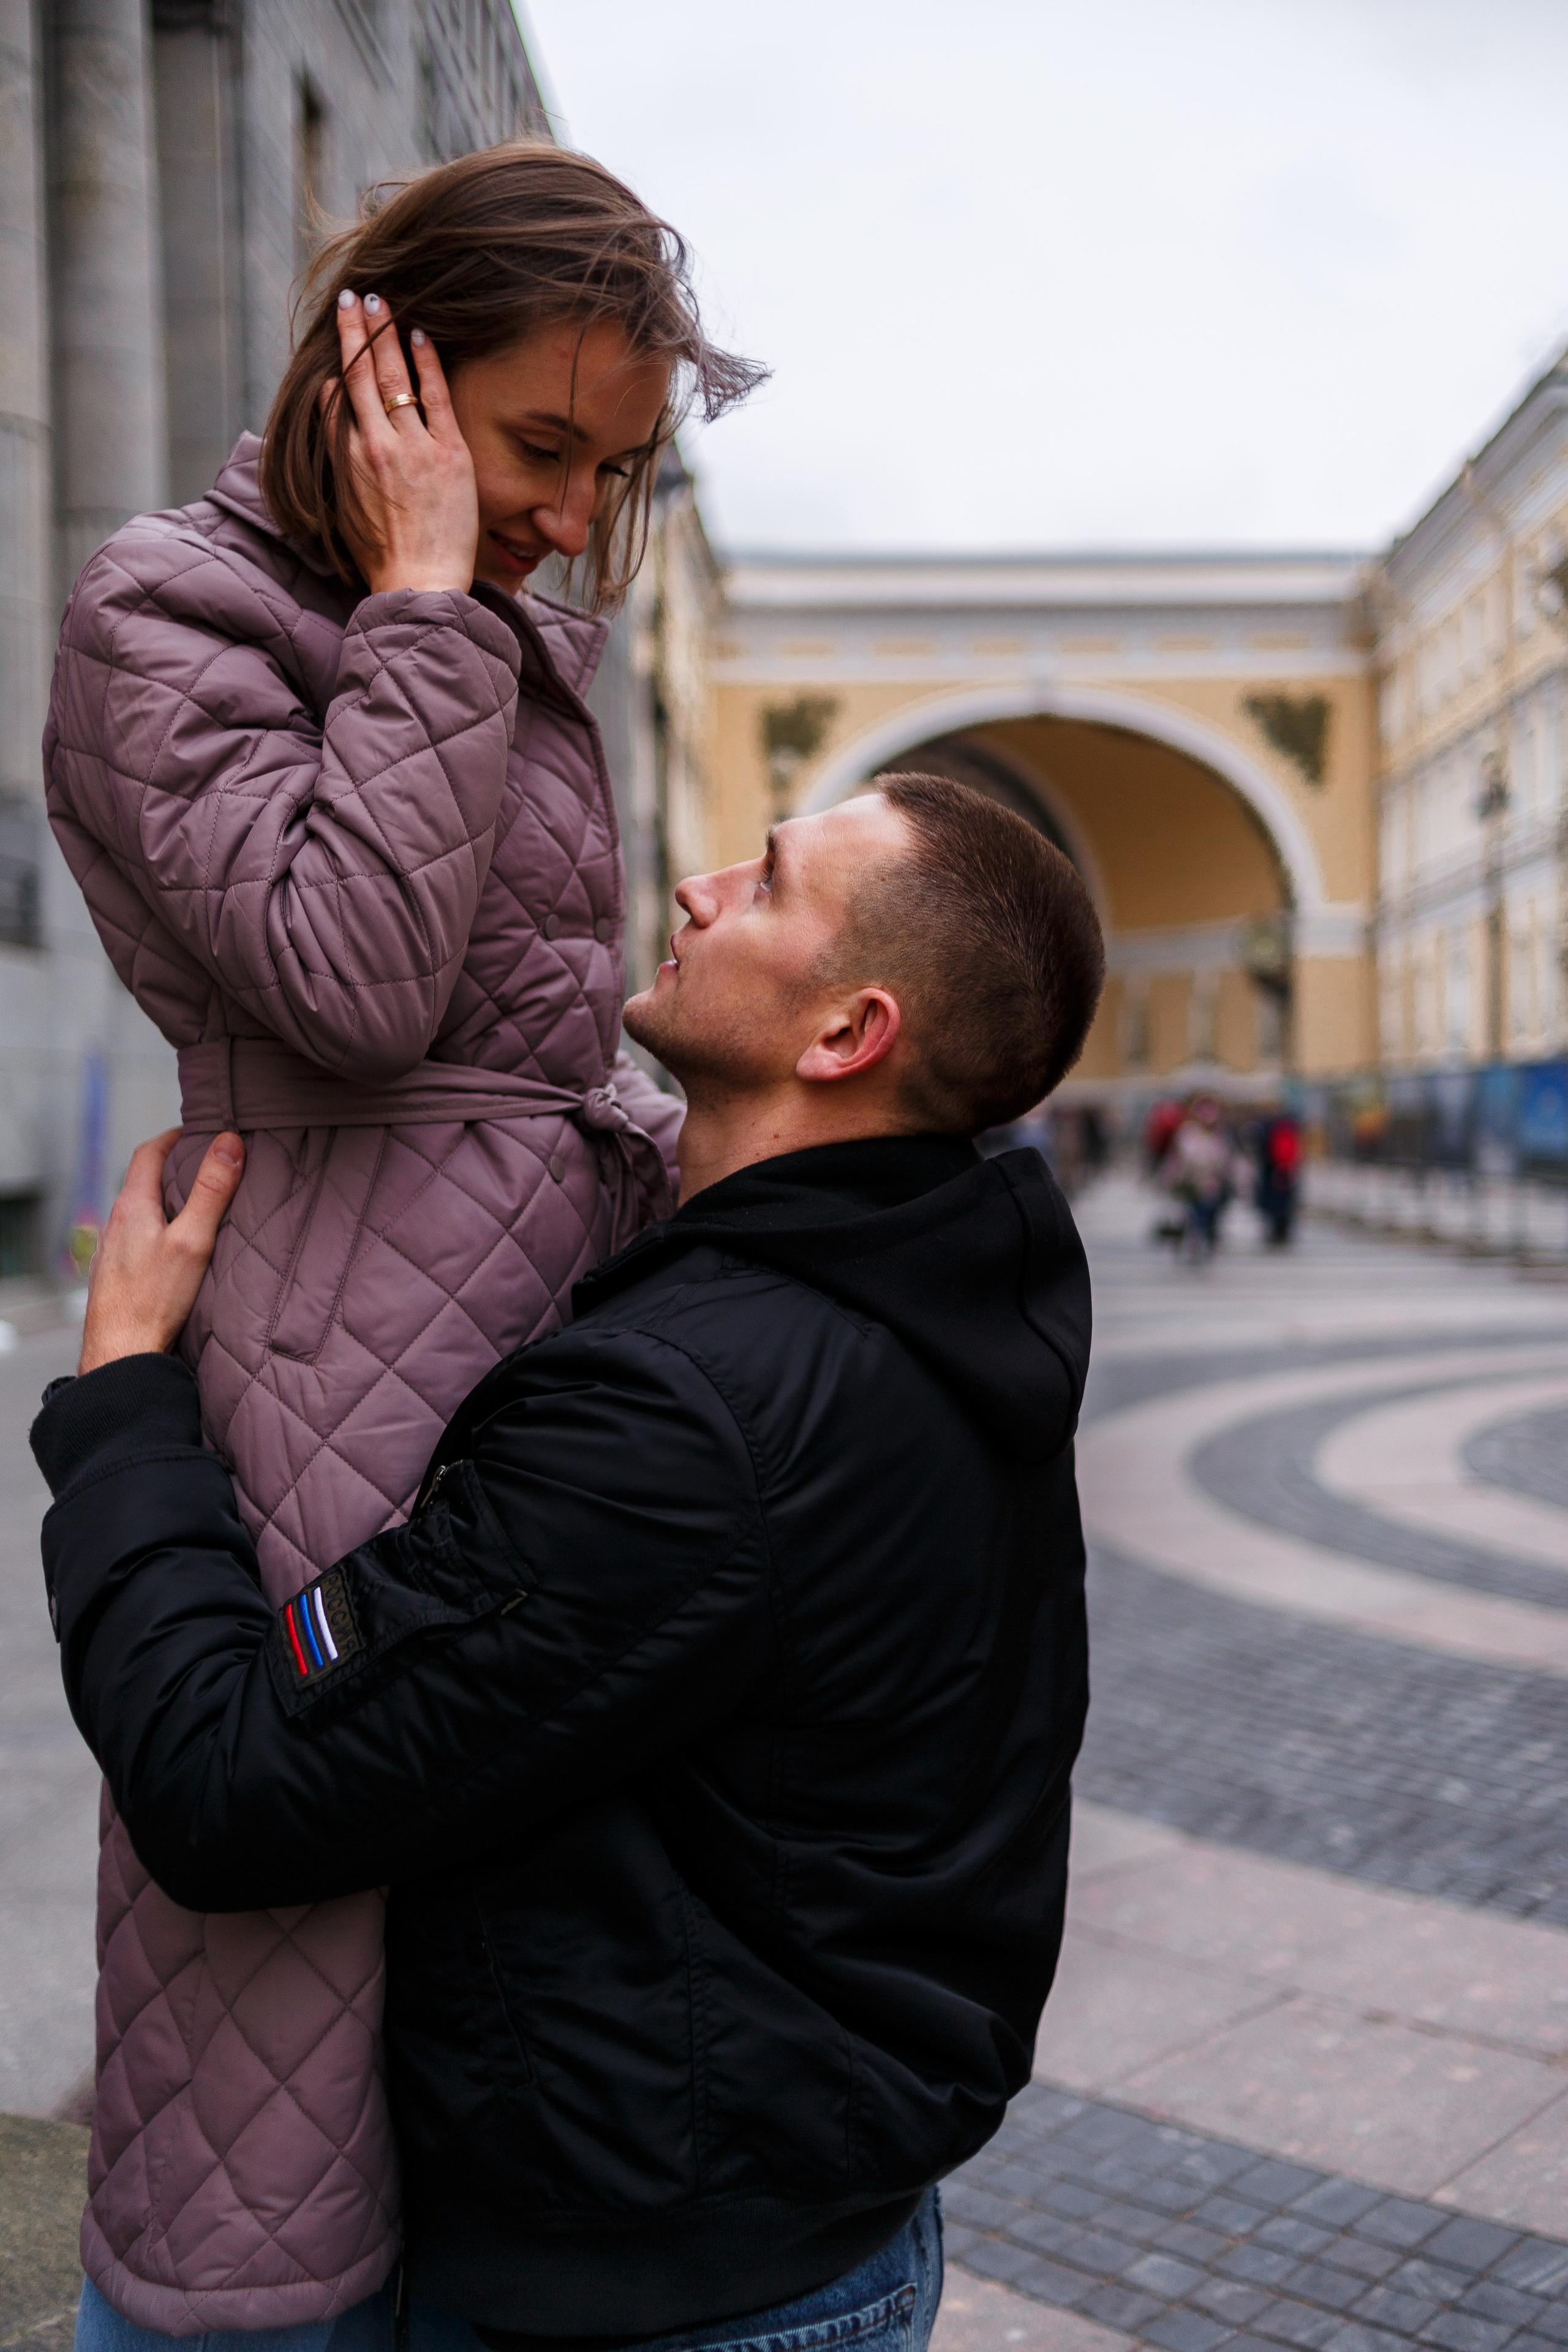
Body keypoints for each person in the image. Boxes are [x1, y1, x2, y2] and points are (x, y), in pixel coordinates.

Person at [34, 775, 1105, 2352]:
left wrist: (125, 1392)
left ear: (845, 1032)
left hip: (659, 2298)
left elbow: (231, 1780)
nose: (697, 888)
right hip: (801, 2222)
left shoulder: (681, 1418)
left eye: (766, 883)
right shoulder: (925, 1291)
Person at [43, 146, 760, 2345]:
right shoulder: (169, 607)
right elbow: (350, 983)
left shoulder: (495, 620)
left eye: (610, 469)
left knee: (524, 1902)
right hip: (327, 1342)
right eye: (540, 445)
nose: (569, 512)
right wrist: (433, 595)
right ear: (388, 373)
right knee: (288, 1948)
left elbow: (536, 1020)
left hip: (526, 1322)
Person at [1161, 1093, 1240, 1261]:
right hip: (1190, 1181)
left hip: (1211, 1182)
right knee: (1192, 1213)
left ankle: (1204, 1240)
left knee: (1208, 1214)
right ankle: (1192, 1240)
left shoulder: (1220, 1135)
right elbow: (1180, 1159)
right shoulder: (1188, 1133)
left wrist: (1229, 1176)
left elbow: (1225, 1160)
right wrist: (1170, 1178)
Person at [1253, 1106, 1302, 1246]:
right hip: (1286, 1171)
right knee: (1284, 1203)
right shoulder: (1291, 1129)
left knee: (1276, 1203)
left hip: (1276, 1171)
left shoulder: (1272, 1128)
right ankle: (1281, 1231)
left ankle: (1278, 1231)